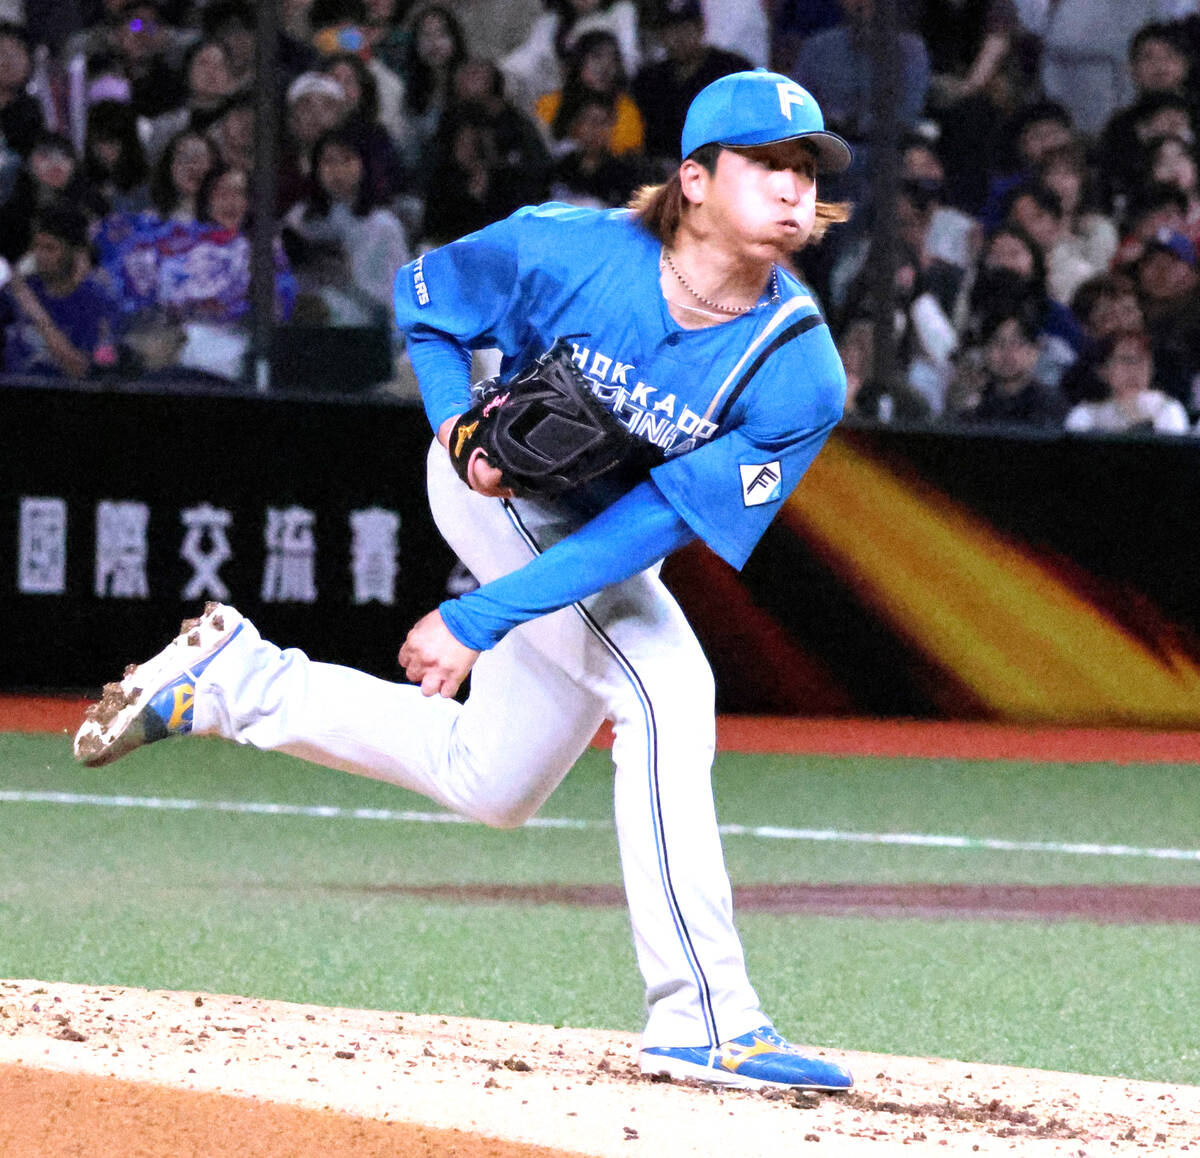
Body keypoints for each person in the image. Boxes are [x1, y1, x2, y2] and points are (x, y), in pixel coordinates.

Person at [74, 68, 857, 1093]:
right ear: (695, 180)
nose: (795, 187)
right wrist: (457, 427)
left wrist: (482, 616)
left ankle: (235, 681)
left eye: (808, 169)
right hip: (497, 490)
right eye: (767, 163)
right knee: (668, 687)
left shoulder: (799, 369)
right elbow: (428, 300)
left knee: (493, 780)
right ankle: (703, 1019)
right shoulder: (567, 247)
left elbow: (651, 525)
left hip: (599, 533)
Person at [0, 200, 121, 379]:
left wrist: (34, 311)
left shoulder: (95, 302)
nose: (40, 256)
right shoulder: (20, 289)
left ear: (74, 253)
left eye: (50, 248)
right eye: (36, 247)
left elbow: (82, 370)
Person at [631, 0, 751, 169]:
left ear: (701, 27)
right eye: (671, 30)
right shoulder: (648, 80)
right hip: (662, 172)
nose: (679, 37)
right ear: (660, 35)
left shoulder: (732, 69)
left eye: (686, 28)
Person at [948, 303, 1069, 427]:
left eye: (1017, 343)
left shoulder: (1050, 403)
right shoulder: (974, 402)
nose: (1007, 353)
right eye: (997, 342)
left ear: (1034, 351)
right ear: (985, 349)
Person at [1064, 327, 1190, 435]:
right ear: (1103, 370)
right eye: (1125, 360)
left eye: (1141, 361)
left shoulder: (1168, 408)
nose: (1134, 369)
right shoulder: (1084, 414)